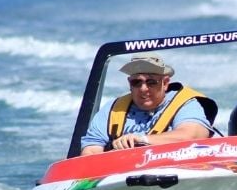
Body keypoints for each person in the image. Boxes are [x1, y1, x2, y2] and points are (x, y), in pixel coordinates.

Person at [80, 54, 216, 155]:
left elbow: (192, 136)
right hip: (122, 177)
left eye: (151, 82)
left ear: (165, 83)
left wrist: (142, 139)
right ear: (129, 83)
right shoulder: (112, 110)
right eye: (136, 83)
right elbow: (91, 150)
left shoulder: (186, 103)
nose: (143, 88)